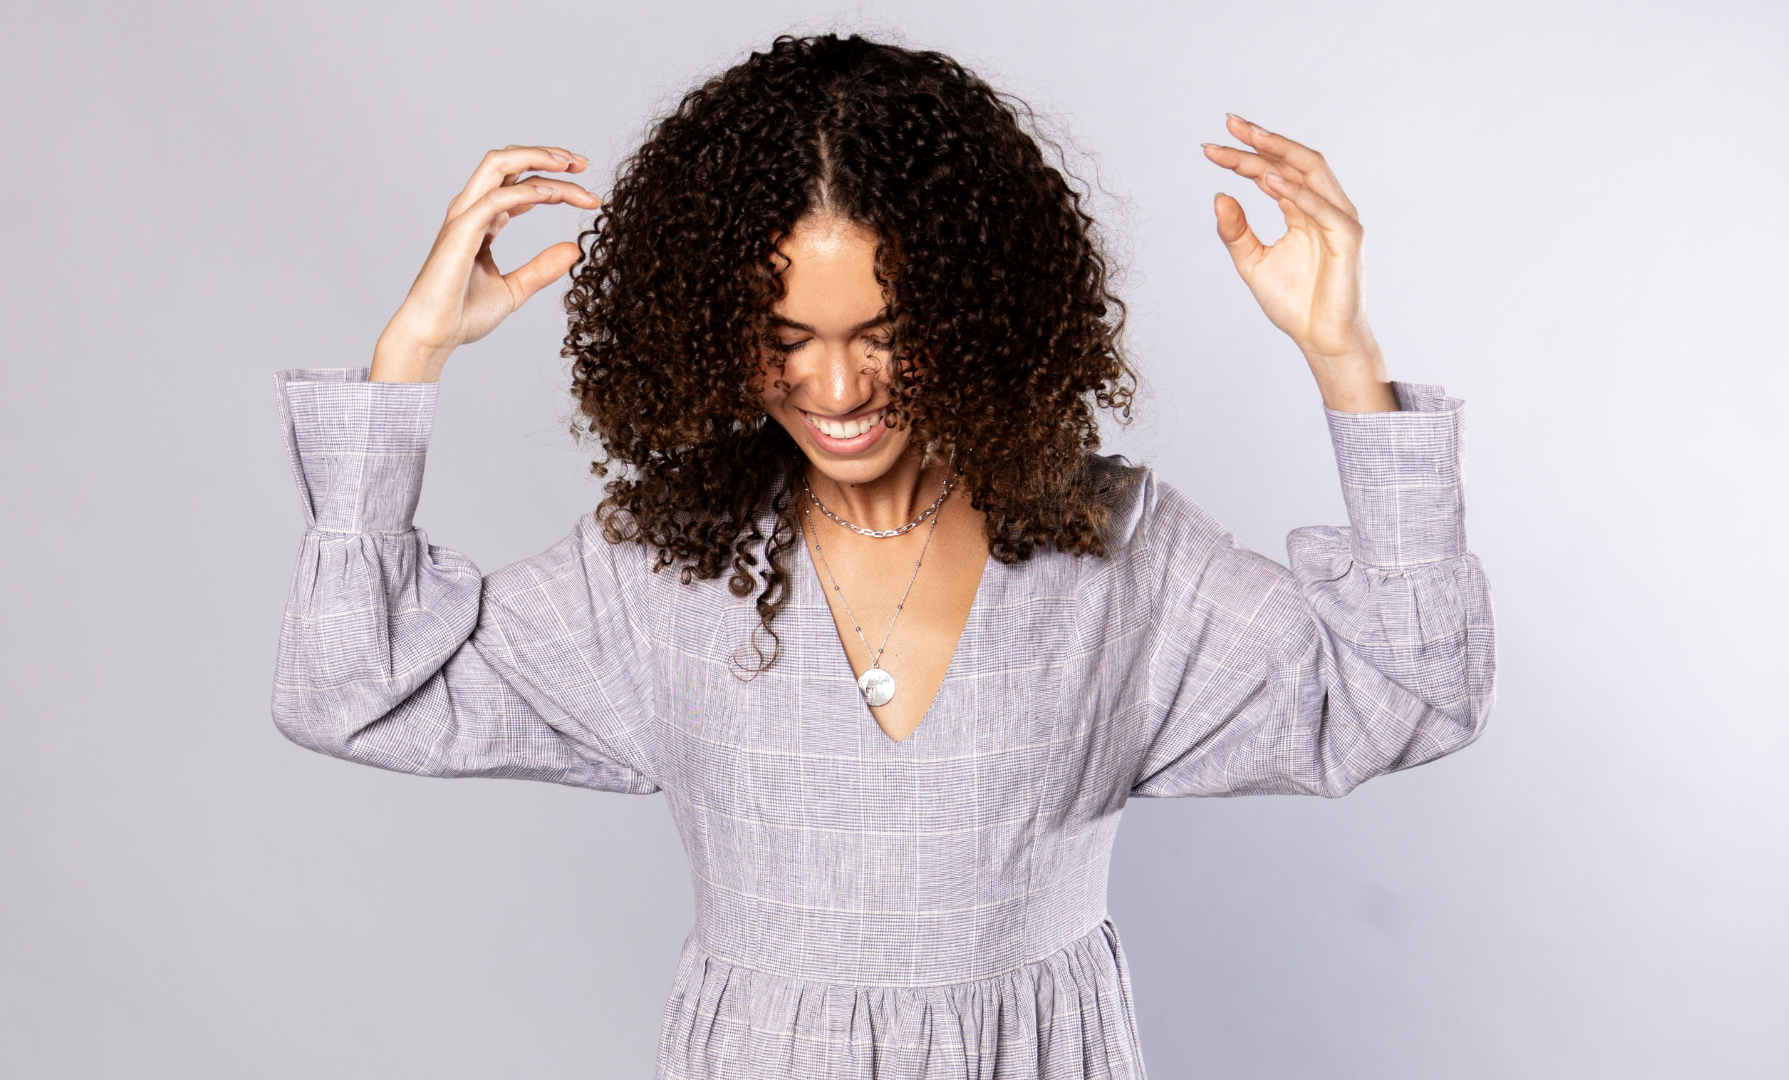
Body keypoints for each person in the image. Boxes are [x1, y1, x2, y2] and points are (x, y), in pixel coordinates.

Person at [271, 33, 1493, 1080]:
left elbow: (1410, 691)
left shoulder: (1114, 553)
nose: (837, 387)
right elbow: (349, 690)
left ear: (974, 309)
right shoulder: (657, 569)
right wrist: (409, 361)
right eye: (783, 336)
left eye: (884, 334)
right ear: (706, 321)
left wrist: (1344, 358)